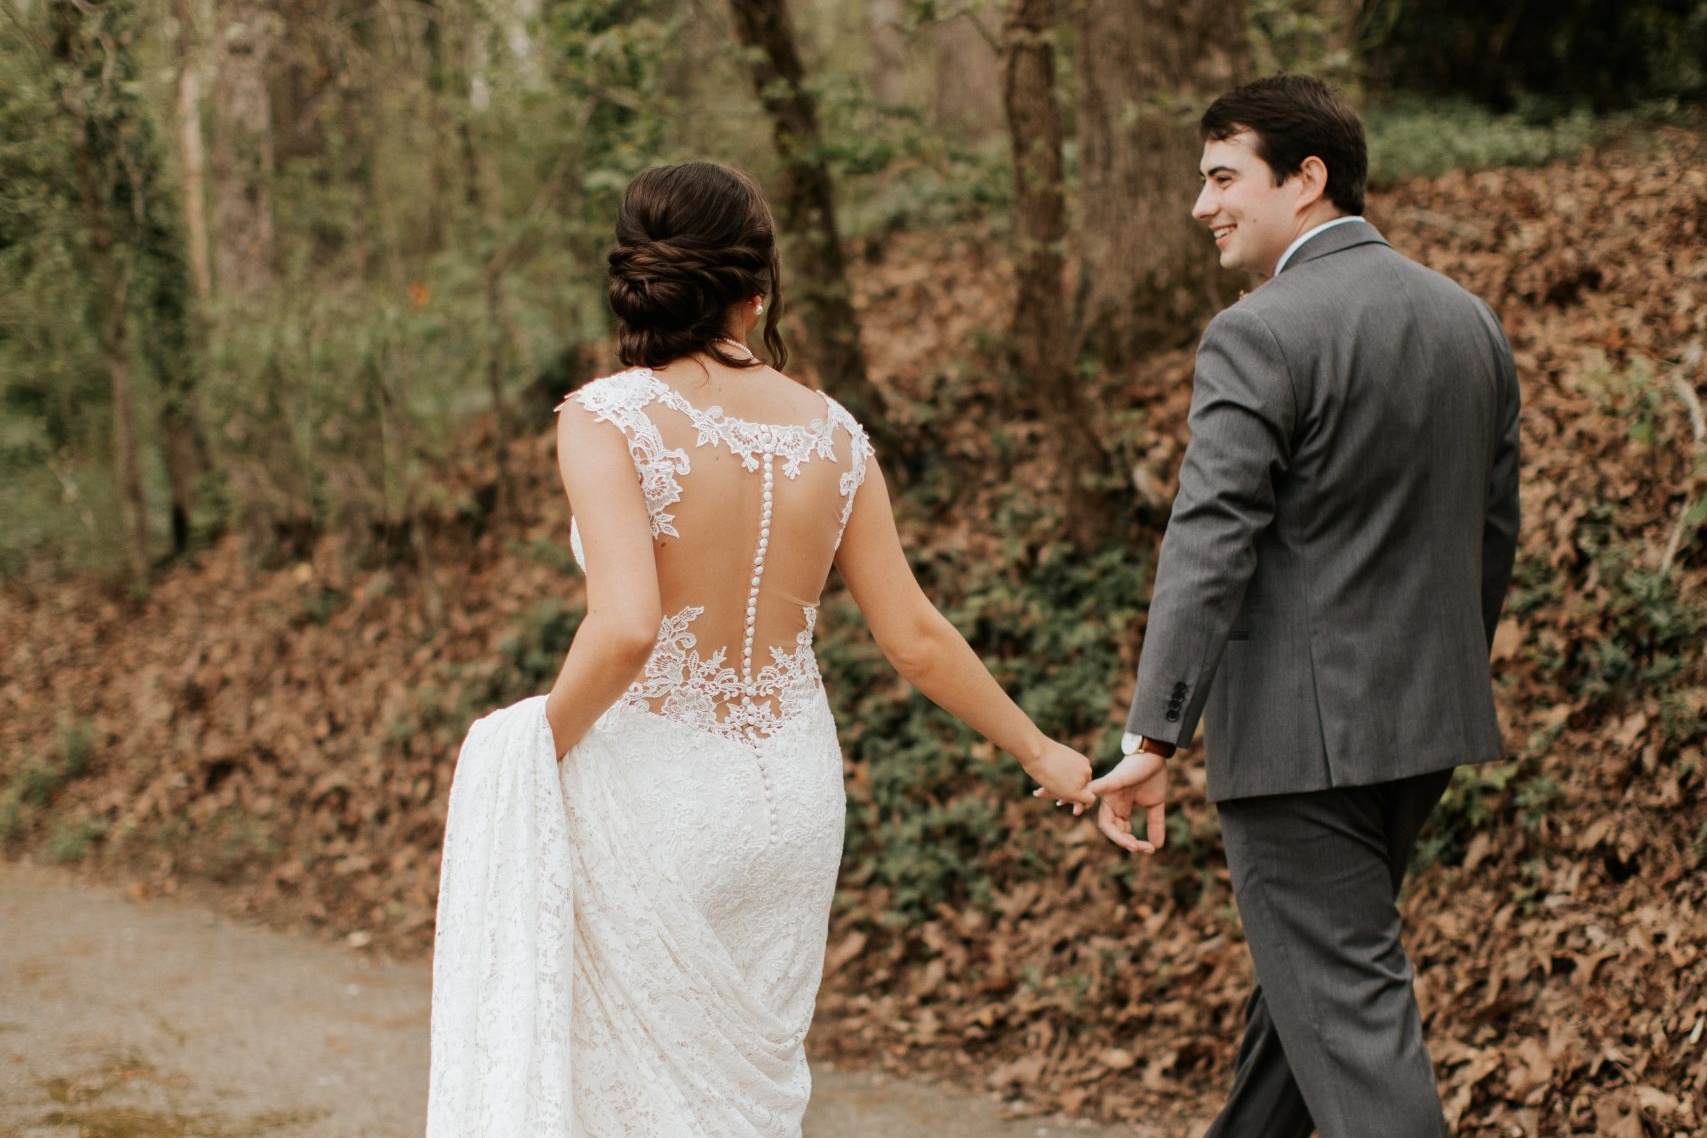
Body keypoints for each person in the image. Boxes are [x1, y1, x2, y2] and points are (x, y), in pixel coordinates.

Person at [426, 161, 1095, 1138]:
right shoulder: (835, 433)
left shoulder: (604, 417)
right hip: (793, 800)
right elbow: (912, 635)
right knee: (744, 1097)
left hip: (658, 799)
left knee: (639, 1098)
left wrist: (534, 752)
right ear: (758, 286)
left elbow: (624, 628)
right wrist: (1043, 750)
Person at [1087, 75, 1521, 1137]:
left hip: (1299, 745)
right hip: (1422, 725)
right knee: (1308, 1005)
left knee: (1349, 1020)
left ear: (1308, 177)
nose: (1204, 205)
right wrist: (1444, 665)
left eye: (1224, 176)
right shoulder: (1468, 321)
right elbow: (1492, 532)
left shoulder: (1259, 331)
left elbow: (1210, 536)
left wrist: (1156, 729)